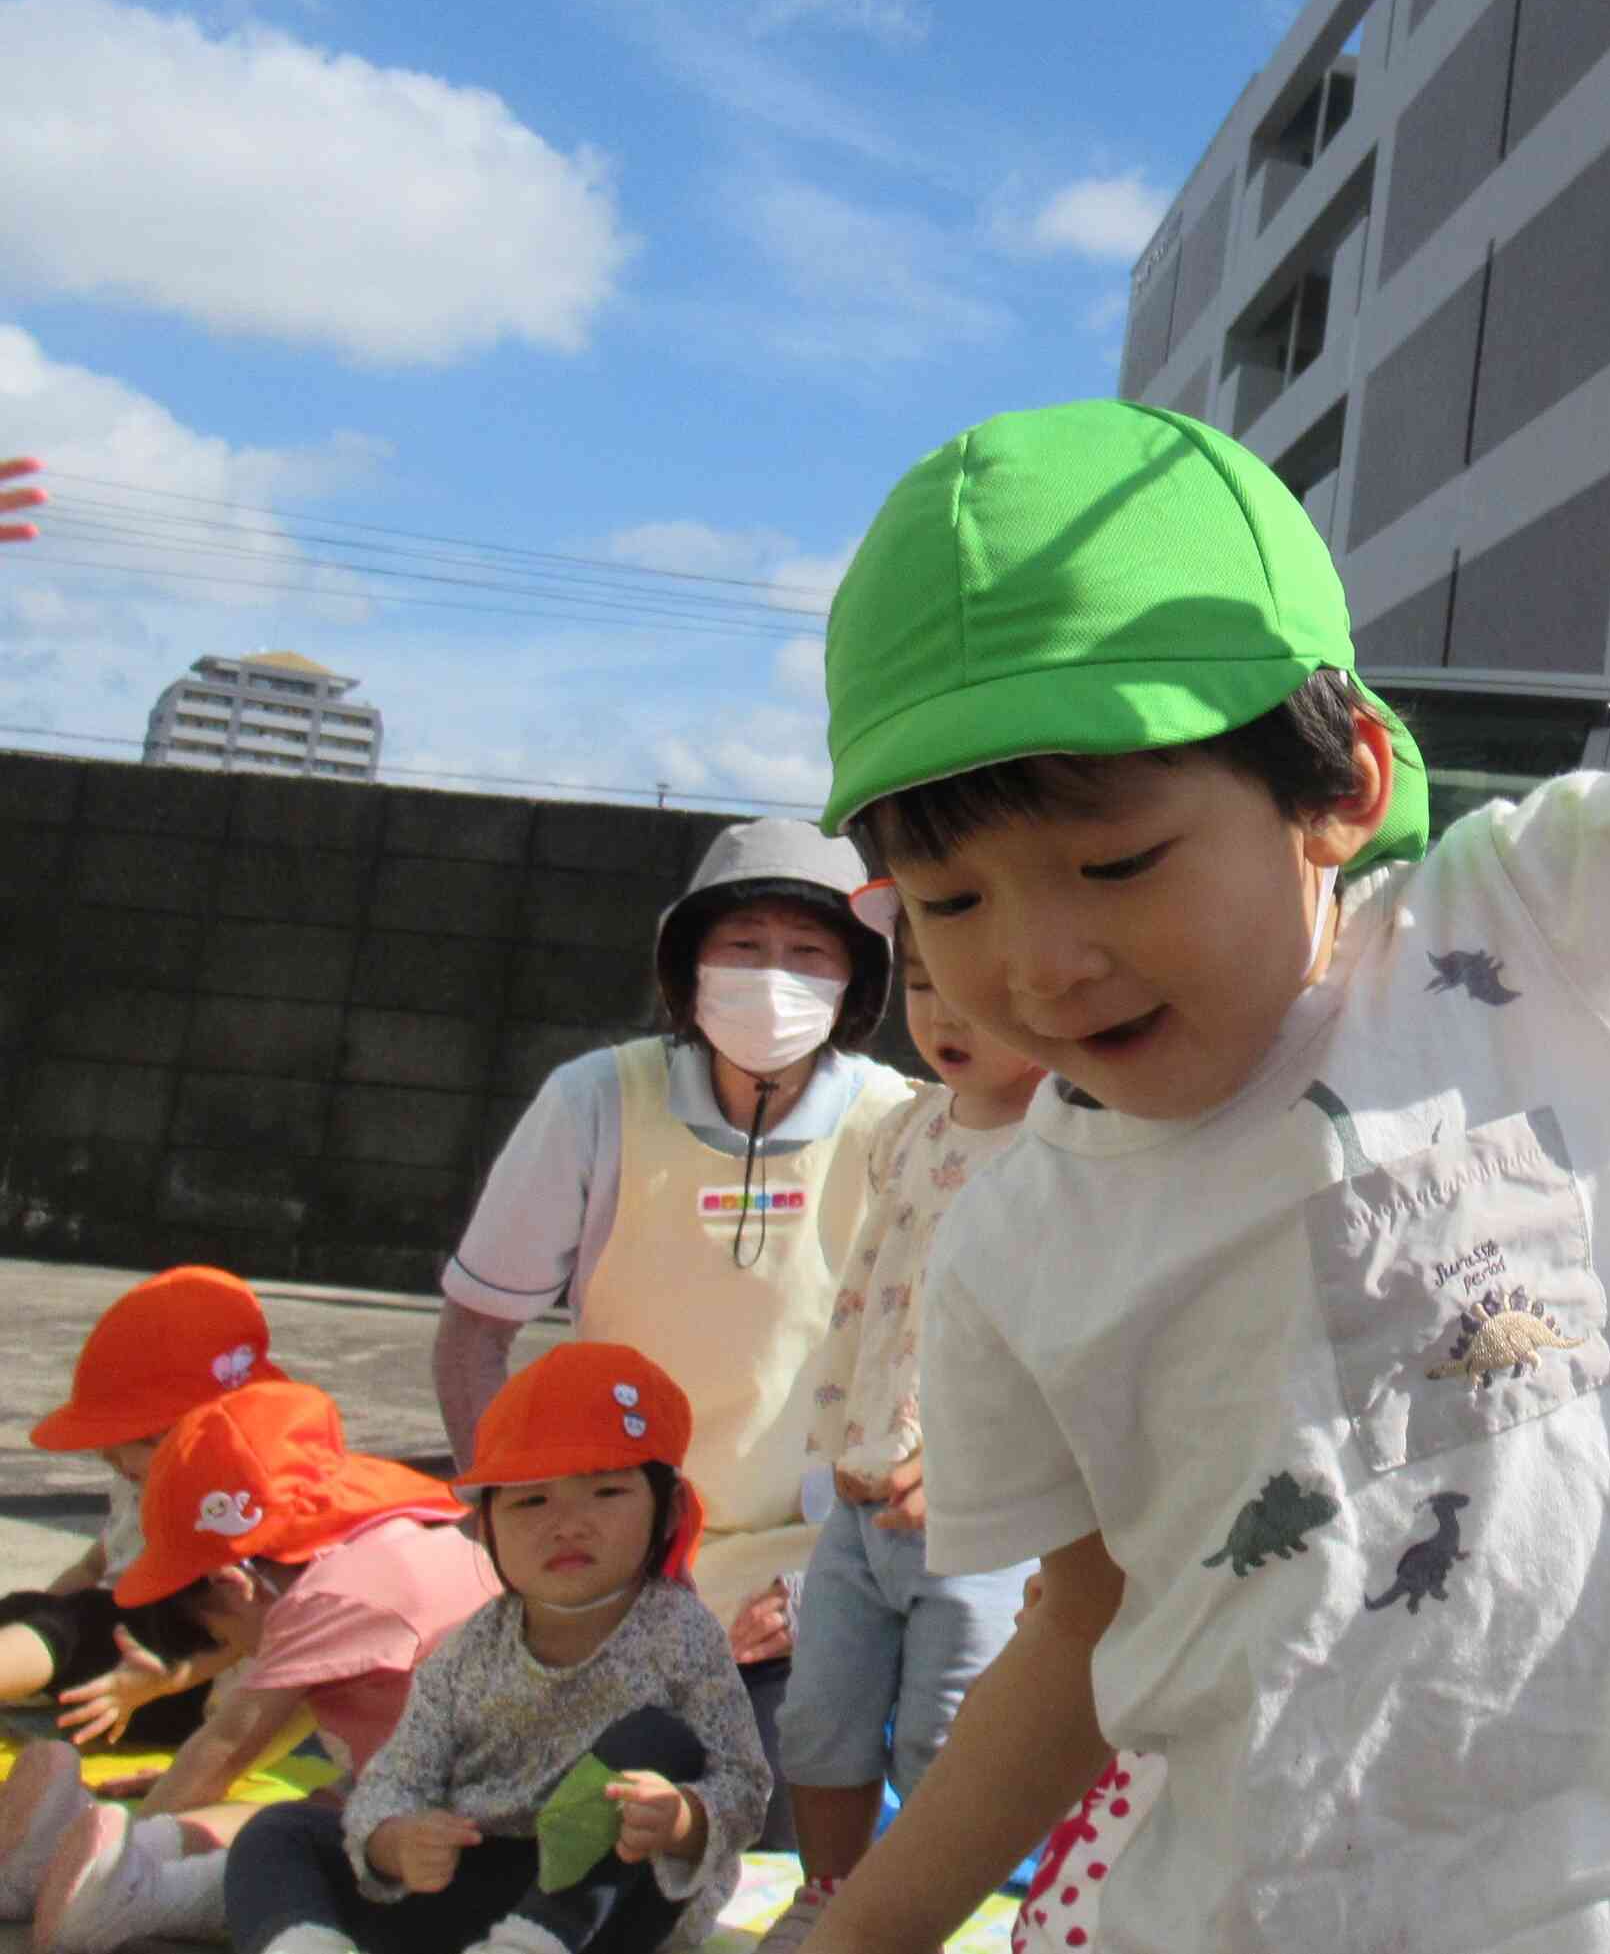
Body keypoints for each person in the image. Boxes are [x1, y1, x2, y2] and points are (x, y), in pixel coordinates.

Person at [796, 24, 1610, 1951]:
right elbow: (1082, 1634)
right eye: (952, 894)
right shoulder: (1014, 1242)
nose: (1039, 954)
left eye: (1115, 860)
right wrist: (852, 1932)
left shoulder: (1533, 926)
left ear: (1332, 784)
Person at [432, 819, 913, 1826]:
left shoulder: (904, 1124)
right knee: (523, 1814)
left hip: (804, 1573)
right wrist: (518, 1528)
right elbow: (477, 1327)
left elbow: (946, 1377)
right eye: (742, 945)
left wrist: (830, 1581)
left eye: (809, 950)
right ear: (686, 965)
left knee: (771, 1822)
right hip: (612, 1555)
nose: (772, 975)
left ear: (857, 981)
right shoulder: (597, 1100)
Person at [219, 1344, 771, 1954]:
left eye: (605, 1493)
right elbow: (398, 1776)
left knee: (657, 1741)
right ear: (486, 1529)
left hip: (603, 1908)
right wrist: (396, 1841)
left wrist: (684, 1818)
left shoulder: (681, 1634)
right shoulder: (471, 1648)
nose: (567, 1523)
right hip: (477, 1884)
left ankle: (526, 1945)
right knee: (278, 1832)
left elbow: (743, 1783)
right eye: (532, 1500)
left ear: (667, 1513)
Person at [757, 931, 1044, 1944]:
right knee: (820, 1711)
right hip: (862, 1483)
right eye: (924, 984)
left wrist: (978, 1462)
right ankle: (831, 1890)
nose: (945, 1013)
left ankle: (927, 1911)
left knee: (948, 1730)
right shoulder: (910, 1125)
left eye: (977, 984)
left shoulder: (1073, 1139)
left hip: (979, 1508)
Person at [21, 1382, 500, 1954]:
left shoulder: (336, 1597)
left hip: (457, 1845)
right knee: (307, 1814)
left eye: (222, 1634)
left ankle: (122, 1887)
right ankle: (80, 1863)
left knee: (285, 1848)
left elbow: (229, 1742)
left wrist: (144, 1825)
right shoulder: (384, 1546)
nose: (241, 1651)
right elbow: (295, 1713)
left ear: (234, 1583)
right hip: (446, 1803)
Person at [0, 1268, 290, 1785]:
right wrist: (45, 1609)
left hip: (186, 1684)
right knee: (43, 1615)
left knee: (84, 1624)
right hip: (124, 1645)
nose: (105, 1454)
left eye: (123, 1442)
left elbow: (248, 1632)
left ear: (184, 1437)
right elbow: (98, 1559)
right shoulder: (141, 1482)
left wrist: (162, 1682)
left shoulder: (239, 1509)